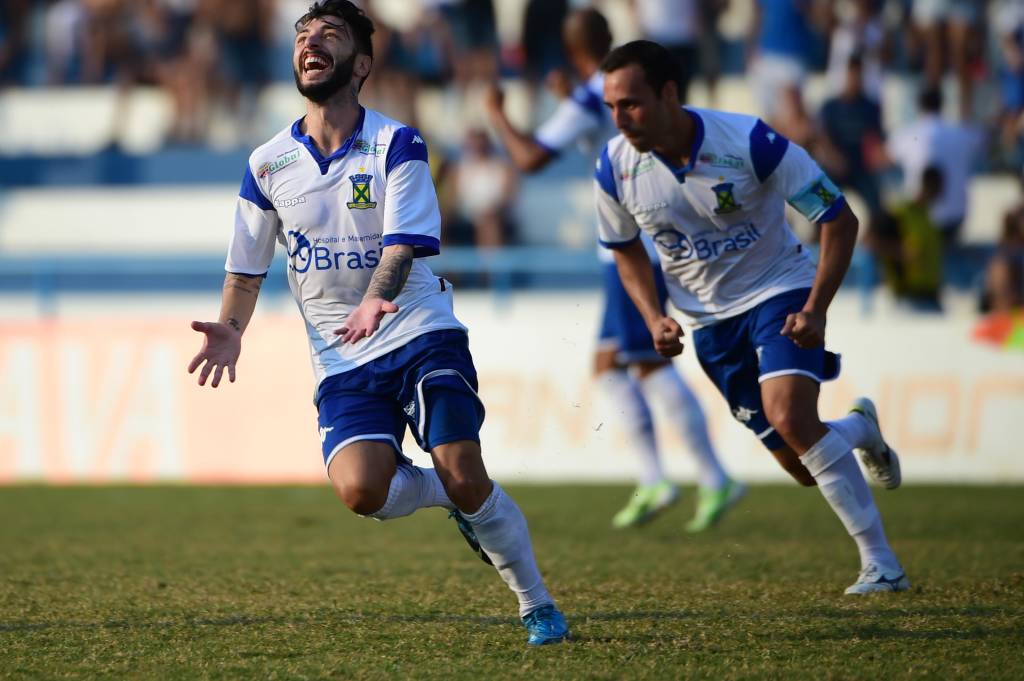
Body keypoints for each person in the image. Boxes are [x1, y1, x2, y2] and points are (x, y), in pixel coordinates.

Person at [187, 0, 569, 646]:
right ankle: (450, 499)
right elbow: (246, 271)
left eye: (329, 35)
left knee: (464, 466)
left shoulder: (398, 143)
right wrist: (232, 326)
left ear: (360, 64)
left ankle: (536, 603)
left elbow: (403, 244)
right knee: (361, 488)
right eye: (304, 35)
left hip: (418, 330)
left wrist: (375, 298)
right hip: (342, 357)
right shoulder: (266, 164)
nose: (311, 43)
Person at [595, 40, 909, 594]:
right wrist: (653, 316)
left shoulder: (750, 142)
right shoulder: (614, 168)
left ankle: (881, 564)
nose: (620, 119)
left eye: (632, 104)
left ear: (669, 93)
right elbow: (623, 249)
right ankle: (860, 428)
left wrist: (815, 307)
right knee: (800, 463)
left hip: (780, 291)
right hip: (710, 324)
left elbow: (839, 219)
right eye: (612, 107)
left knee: (788, 413)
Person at [484, 8, 743, 533]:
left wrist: (496, 114)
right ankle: (655, 479)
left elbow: (532, 157)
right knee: (608, 365)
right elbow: (608, 133)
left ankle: (715, 476)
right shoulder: (613, 88)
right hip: (634, 241)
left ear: (568, 42)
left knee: (646, 363)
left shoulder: (590, 96)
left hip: (637, 247)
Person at [869, 165, 944, 312]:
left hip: (931, 294)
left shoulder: (929, 216)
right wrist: (900, 252)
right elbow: (870, 239)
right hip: (908, 297)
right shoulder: (901, 213)